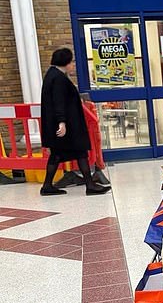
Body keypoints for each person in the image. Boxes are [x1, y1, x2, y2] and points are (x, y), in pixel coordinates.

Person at [40, 48, 111, 196]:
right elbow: (58, 101)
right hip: (68, 126)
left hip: (63, 124)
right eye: (71, 62)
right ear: (65, 63)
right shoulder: (58, 78)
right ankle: (89, 185)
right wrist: (62, 122)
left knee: (59, 154)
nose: (72, 65)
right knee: (79, 152)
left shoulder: (52, 75)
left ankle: (48, 185)